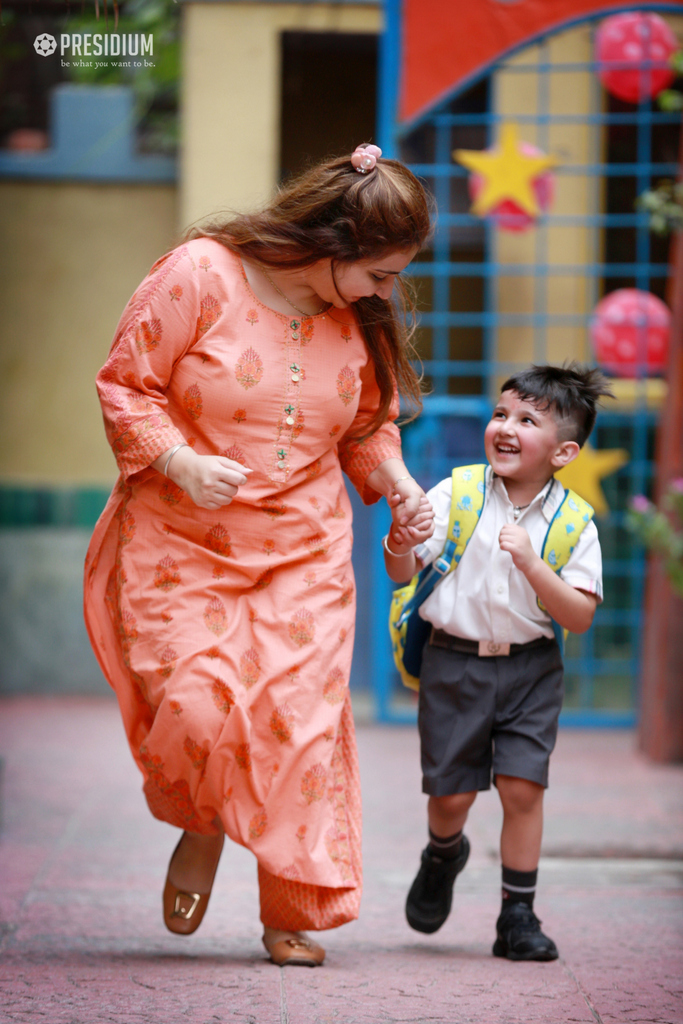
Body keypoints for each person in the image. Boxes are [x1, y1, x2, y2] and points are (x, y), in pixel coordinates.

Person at [83, 144, 435, 967]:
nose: (390, 292)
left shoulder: (359, 320)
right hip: (181, 542)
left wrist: (397, 482)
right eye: (381, 274)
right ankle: (202, 823)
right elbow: (125, 383)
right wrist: (179, 460)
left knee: (298, 728)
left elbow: (365, 425)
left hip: (304, 554)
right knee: (198, 708)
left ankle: (292, 907)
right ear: (334, 243)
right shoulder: (200, 274)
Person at [383, 363, 613, 961]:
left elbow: (580, 616)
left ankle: (518, 914)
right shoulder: (456, 492)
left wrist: (534, 565)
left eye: (527, 420)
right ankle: (443, 854)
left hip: (530, 670)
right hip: (453, 665)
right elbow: (402, 575)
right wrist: (399, 543)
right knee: (452, 797)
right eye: (501, 413)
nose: (506, 427)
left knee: (522, 788)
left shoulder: (573, 523)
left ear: (563, 451)